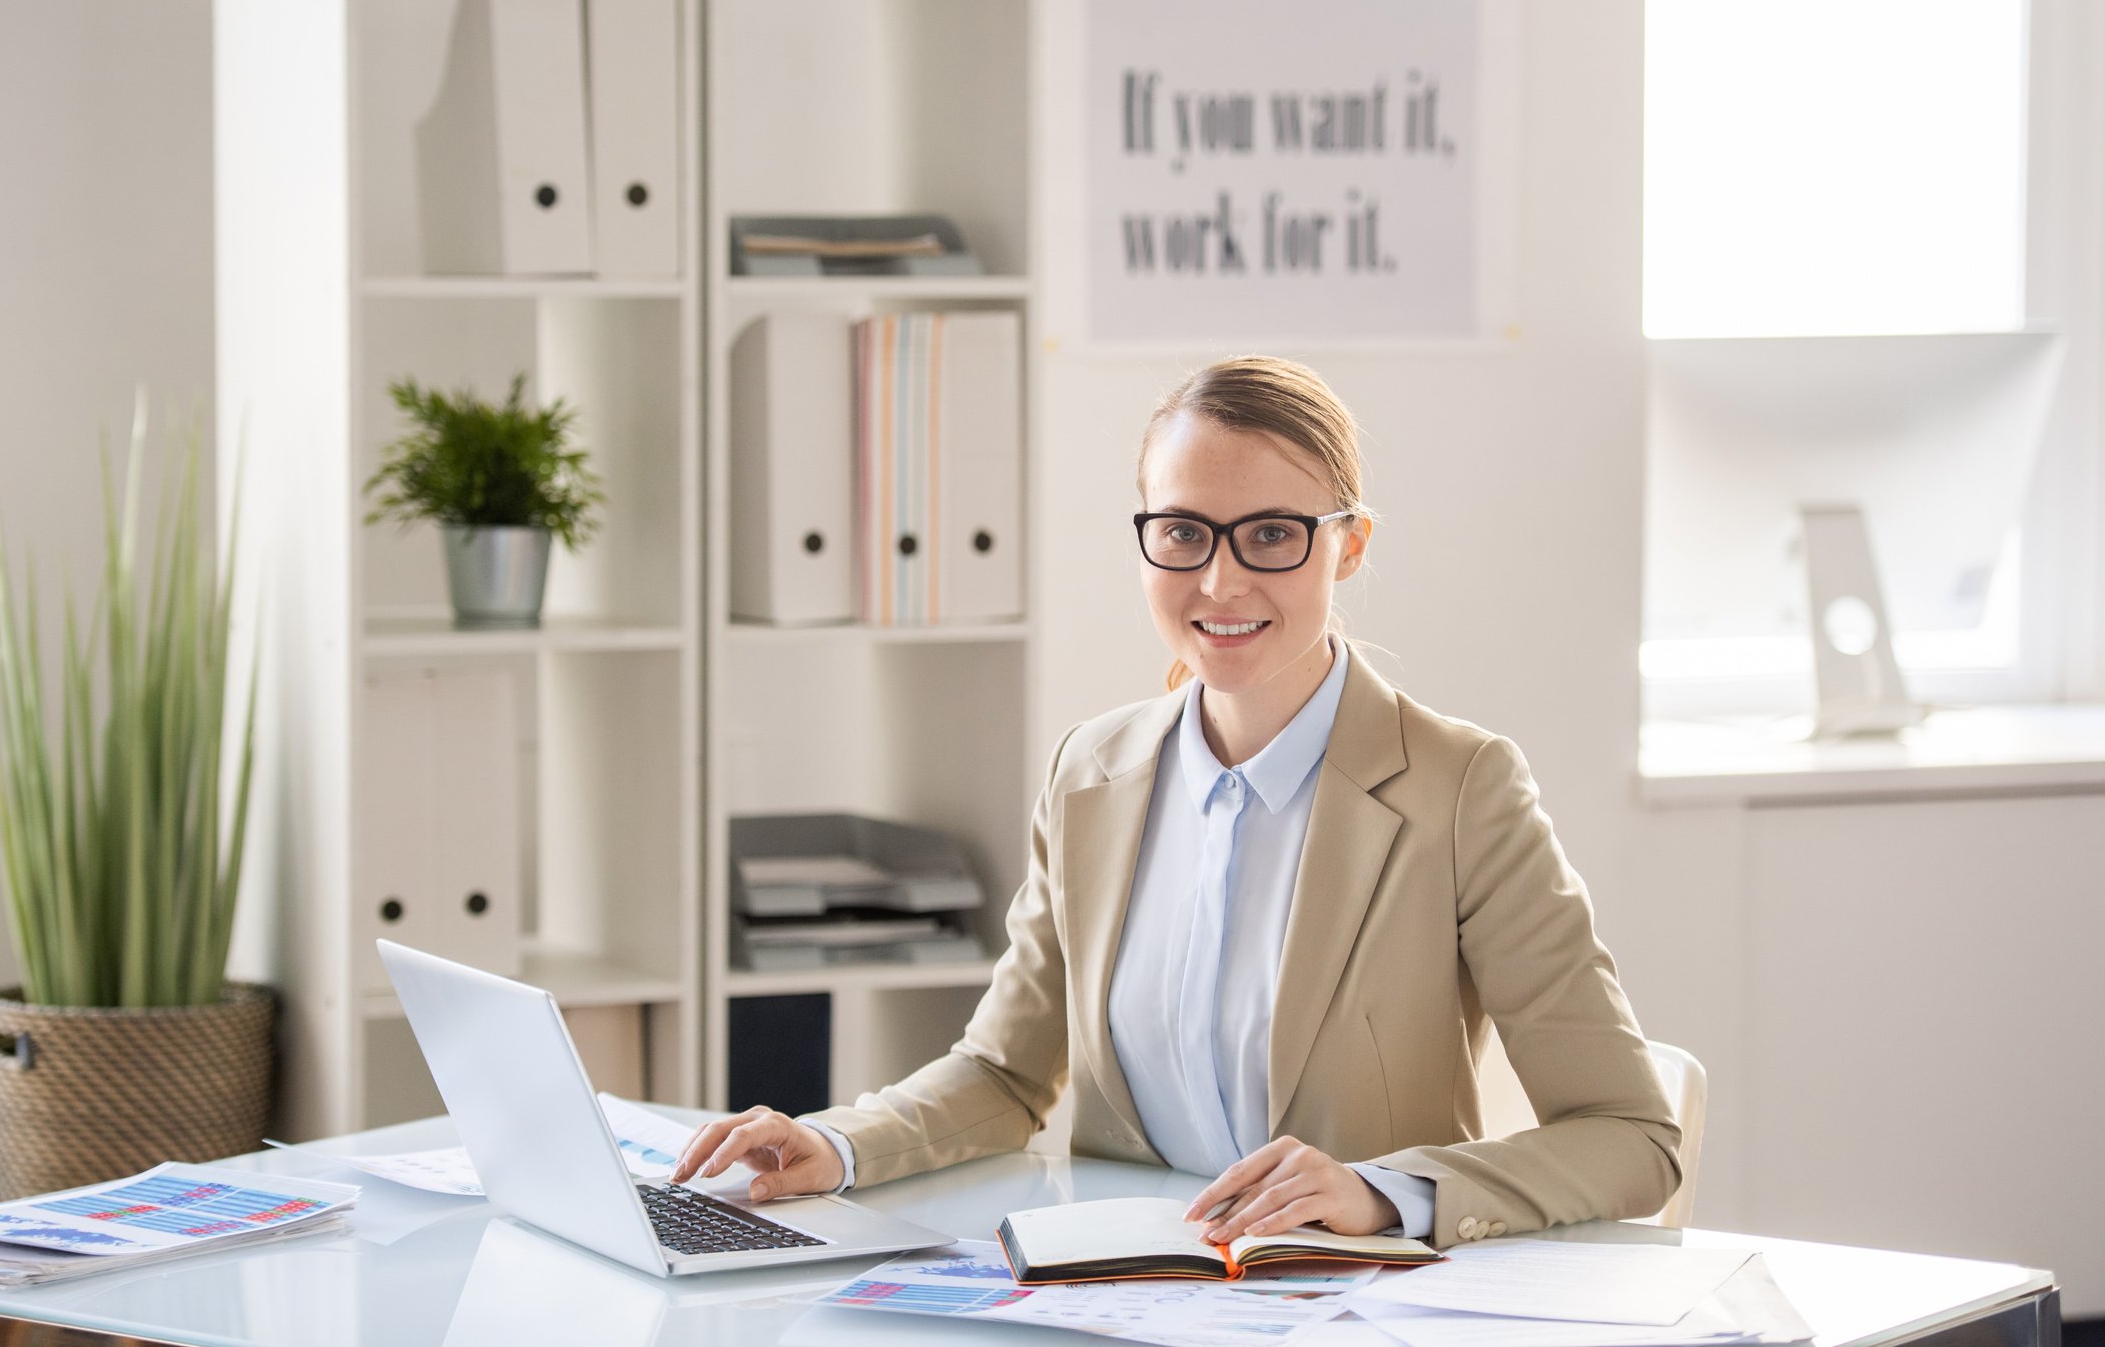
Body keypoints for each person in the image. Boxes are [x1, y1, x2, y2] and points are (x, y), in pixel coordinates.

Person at [674, 356, 1679, 1249]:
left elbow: (1631, 1136)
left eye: (1274, 534)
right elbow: (1006, 1074)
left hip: (1354, 1311)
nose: (1222, 578)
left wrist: (1381, 1192)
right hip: (1133, 1296)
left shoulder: (1460, 789)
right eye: (1185, 532)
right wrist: (834, 1143)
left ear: (1351, 545)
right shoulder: (1091, 774)